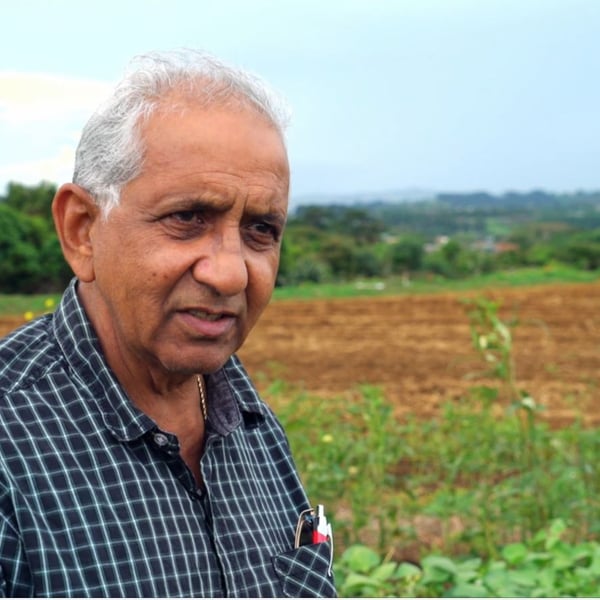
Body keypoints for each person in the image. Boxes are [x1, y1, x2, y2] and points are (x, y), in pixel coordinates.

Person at [0, 49, 336, 598]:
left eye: (260, 230)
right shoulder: (10, 451)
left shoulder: (245, 415)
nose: (230, 273)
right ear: (83, 231)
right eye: (187, 218)